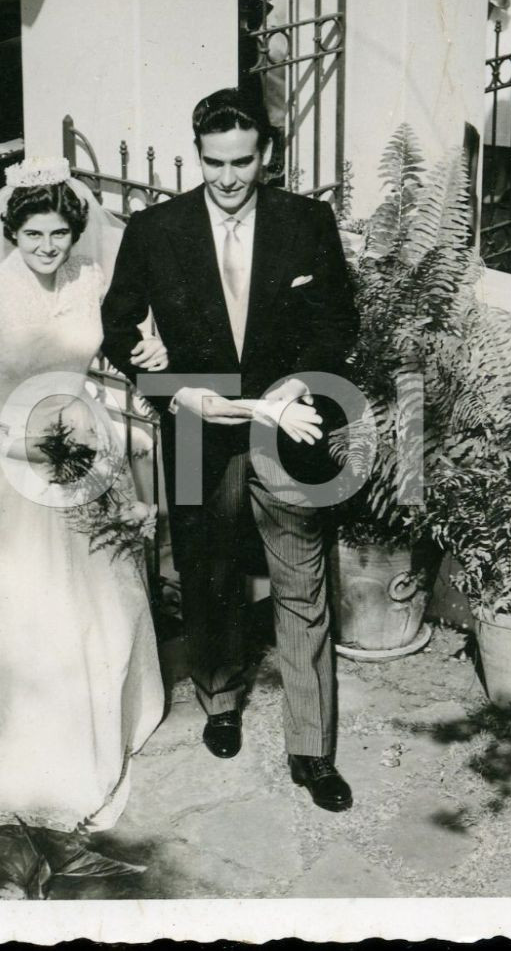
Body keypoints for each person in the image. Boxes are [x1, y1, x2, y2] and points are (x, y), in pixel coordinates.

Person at [0, 157, 171, 834]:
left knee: (93, 599)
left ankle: (94, 735)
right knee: (15, 608)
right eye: (33, 235)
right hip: (2, 458)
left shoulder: (93, 281)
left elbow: (114, 346)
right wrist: (13, 442)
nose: (47, 249)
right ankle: (9, 763)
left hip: (79, 445)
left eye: (59, 236)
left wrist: (151, 350)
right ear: (10, 231)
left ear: (75, 233)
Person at [100, 88, 360, 812]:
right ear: (198, 154)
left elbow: (339, 321)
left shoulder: (306, 223)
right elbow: (119, 327)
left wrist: (295, 388)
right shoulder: (155, 230)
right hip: (194, 428)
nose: (226, 178)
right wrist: (174, 390)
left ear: (266, 155)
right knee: (205, 574)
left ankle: (311, 751)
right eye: (213, 163)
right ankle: (219, 702)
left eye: (241, 162)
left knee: (302, 590)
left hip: (287, 429)